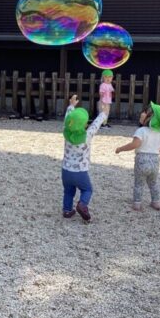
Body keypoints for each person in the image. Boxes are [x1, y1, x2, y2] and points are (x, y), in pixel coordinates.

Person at [62, 94, 107, 222]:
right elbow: (96, 124)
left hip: (66, 170)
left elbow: (67, 119)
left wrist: (71, 105)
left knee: (68, 191)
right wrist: (103, 113)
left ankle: (67, 210)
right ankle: (82, 204)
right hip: (80, 171)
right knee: (87, 189)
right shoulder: (87, 135)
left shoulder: (66, 131)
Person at [115, 102, 160, 211]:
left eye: (145, 113)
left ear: (149, 118)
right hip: (155, 160)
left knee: (139, 183)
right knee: (153, 183)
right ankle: (156, 202)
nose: (142, 114)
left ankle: (137, 203)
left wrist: (120, 148)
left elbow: (135, 144)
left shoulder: (141, 131)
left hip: (142, 160)